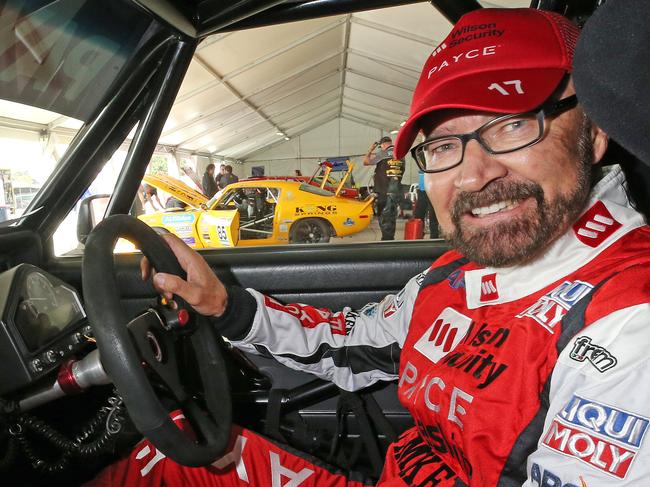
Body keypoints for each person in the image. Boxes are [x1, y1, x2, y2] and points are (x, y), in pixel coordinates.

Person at [90, 7, 650, 486]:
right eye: (444, 145)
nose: (475, 174)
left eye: (510, 123)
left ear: (594, 132)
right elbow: (351, 344)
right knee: (167, 458)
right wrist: (224, 305)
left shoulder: (629, 319)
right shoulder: (455, 273)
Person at [363, 136, 405, 240]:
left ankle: (386, 242)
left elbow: (365, 162)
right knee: (392, 217)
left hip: (383, 191)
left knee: (383, 216)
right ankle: (390, 240)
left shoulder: (382, 154)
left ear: (383, 145)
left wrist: (370, 150)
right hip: (396, 191)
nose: (381, 148)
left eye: (381, 146)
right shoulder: (401, 155)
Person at [413, 172, 438, 238]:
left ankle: (434, 237)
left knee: (433, 215)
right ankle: (418, 234)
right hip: (422, 190)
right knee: (418, 215)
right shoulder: (422, 163)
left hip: (433, 190)